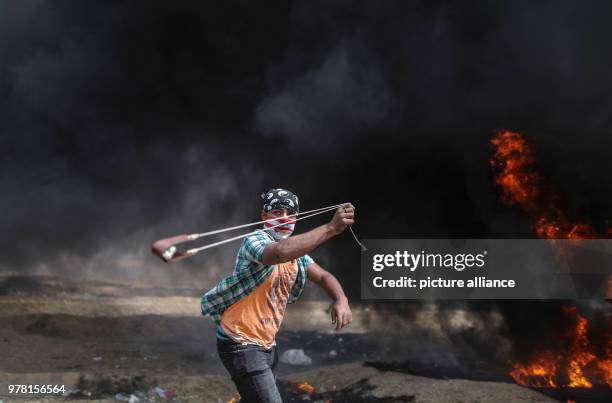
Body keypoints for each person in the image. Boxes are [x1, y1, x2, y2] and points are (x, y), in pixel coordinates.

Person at [201, 188, 354, 403]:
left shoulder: (298, 254)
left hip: (267, 344)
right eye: (277, 213)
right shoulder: (254, 241)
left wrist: (341, 299)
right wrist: (330, 228)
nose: (284, 219)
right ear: (265, 216)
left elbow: (324, 277)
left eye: (290, 214)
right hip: (240, 342)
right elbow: (281, 252)